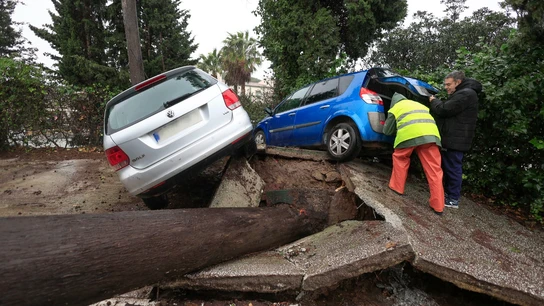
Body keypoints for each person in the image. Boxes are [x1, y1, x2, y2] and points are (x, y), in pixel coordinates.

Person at [384, 93, 445, 215]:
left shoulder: (395, 108)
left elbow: (387, 131)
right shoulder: (421, 105)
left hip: (408, 136)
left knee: (400, 159)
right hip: (431, 137)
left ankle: (397, 188)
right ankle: (438, 206)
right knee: (434, 170)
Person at [429, 71, 482, 209]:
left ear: (457, 82)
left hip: (456, 140)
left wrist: (434, 101)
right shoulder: (464, 93)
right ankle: (449, 195)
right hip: (454, 139)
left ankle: (453, 199)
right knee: (450, 167)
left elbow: (445, 109)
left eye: (448, 84)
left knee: (453, 169)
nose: (446, 87)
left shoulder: (466, 94)